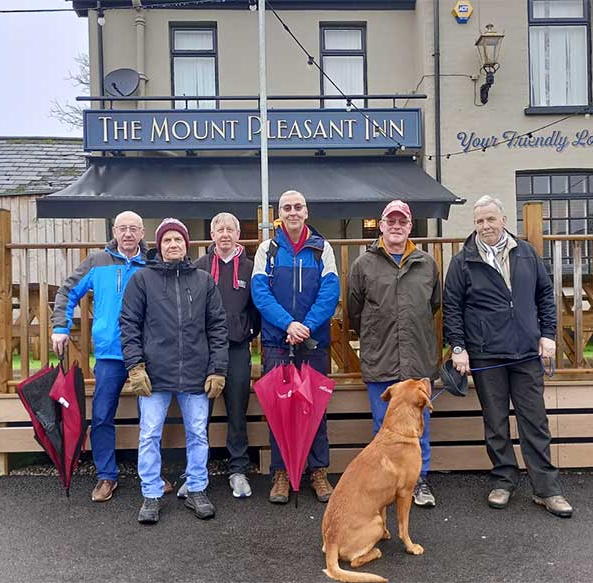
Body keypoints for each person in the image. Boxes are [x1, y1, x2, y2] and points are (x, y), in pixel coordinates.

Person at [443, 195, 573, 518]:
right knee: (496, 423)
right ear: (474, 225)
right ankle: (503, 480)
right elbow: (452, 309)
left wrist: (548, 334)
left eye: (490, 219)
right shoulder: (463, 261)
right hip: (487, 356)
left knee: (535, 422)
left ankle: (547, 489)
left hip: (528, 353)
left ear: (503, 220)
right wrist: (458, 347)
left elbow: (545, 294)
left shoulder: (526, 253)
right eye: (479, 221)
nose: (485, 226)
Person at [120, 218, 228, 524]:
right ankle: (151, 494)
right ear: (159, 246)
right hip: (154, 374)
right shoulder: (142, 279)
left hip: (196, 372)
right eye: (166, 240)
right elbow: (128, 324)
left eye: (177, 240)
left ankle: (196, 488)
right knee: (149, 434)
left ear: (186, 245)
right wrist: (135, 366)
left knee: (197, 433)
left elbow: (217, 326)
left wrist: (217, 368)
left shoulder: (204, 281)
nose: (172, 245)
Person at [52, 210, 153, 503]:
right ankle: (106, 476)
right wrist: (60, 326)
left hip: (146, 355)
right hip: (110, 354)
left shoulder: (152, 263)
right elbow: (68, 291)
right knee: (102, 416)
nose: (128, 233)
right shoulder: (97, 262)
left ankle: (153, 473)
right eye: (122, 228)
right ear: (114, 231)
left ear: (142, 232)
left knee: (152, 416)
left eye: (134, 228)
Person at [348, 200, 440, 508]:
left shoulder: (426, 263)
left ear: (410, 226)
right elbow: (354, 309)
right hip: (382, 357)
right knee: (382, 427)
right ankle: (386, 485)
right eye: (391, 221)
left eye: (403, 221)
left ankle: (419, 481)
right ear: (382, 225)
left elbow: (434, 304)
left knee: (418, 428)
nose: (397, 226)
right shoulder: (363, 265)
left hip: (417, 361)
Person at [251, 190, 340, 504]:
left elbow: (330, 293)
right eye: (286, 207)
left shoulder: (322, 249)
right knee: (280, 411)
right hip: (278, 342)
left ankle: (318, 470)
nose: (292, 212)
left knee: (315, 408)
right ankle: (282, 472)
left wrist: (305, 327)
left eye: (298, 206)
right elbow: (260, 294)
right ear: (279, 213)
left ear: (307, 211)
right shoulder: (268, 249)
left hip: (313, 342)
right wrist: (288, 324)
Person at [175, 212, 260, 500]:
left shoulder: (249, 268)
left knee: (237, 411)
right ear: (212, 235)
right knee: (200, 416)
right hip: (203, 353)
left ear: (238, 234)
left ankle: (238, 470)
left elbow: (256, 309)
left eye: (230, 229)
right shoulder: (197, 268)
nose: (225, 234)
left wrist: (247, 331)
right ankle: (196, 472)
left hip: (236, 350)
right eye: (219, 229)